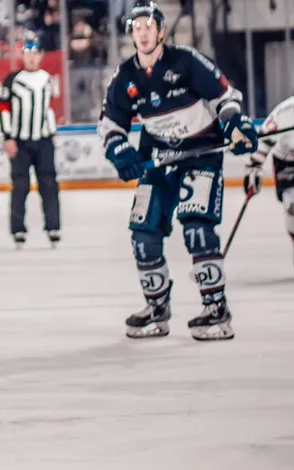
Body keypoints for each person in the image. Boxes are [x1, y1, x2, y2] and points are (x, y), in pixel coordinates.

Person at [97, 1, 256, 341]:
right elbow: (111, 123)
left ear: (161, 31)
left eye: (148, 26)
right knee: (143, 233)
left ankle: (216, 309)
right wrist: (119, 151)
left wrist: (235, 127)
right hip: (158, 158)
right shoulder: (125, 76)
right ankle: (157, 309)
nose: (142, 33)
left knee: (197, 229)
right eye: (136, 27)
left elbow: (225, 98)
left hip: (201, 155)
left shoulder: (186, 61)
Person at [0, 37, 61, 249]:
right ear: (22, 56)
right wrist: (7, 138)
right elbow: (1, 109)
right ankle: (18, 230)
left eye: (35, 53)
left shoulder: (46, 79)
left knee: (49, 184)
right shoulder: (12, 79)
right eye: (27, 53)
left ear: (40, 56)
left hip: (43, 140)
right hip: (20, 142)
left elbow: (48, 109)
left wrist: (52, 133)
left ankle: (53, 227)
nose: (31, 57)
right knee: (20, 186)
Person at [244, 96, 294, 265]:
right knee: (292, 202)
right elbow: (264, 139)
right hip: (288, 162)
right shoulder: (286, 111)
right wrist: (254, 167)